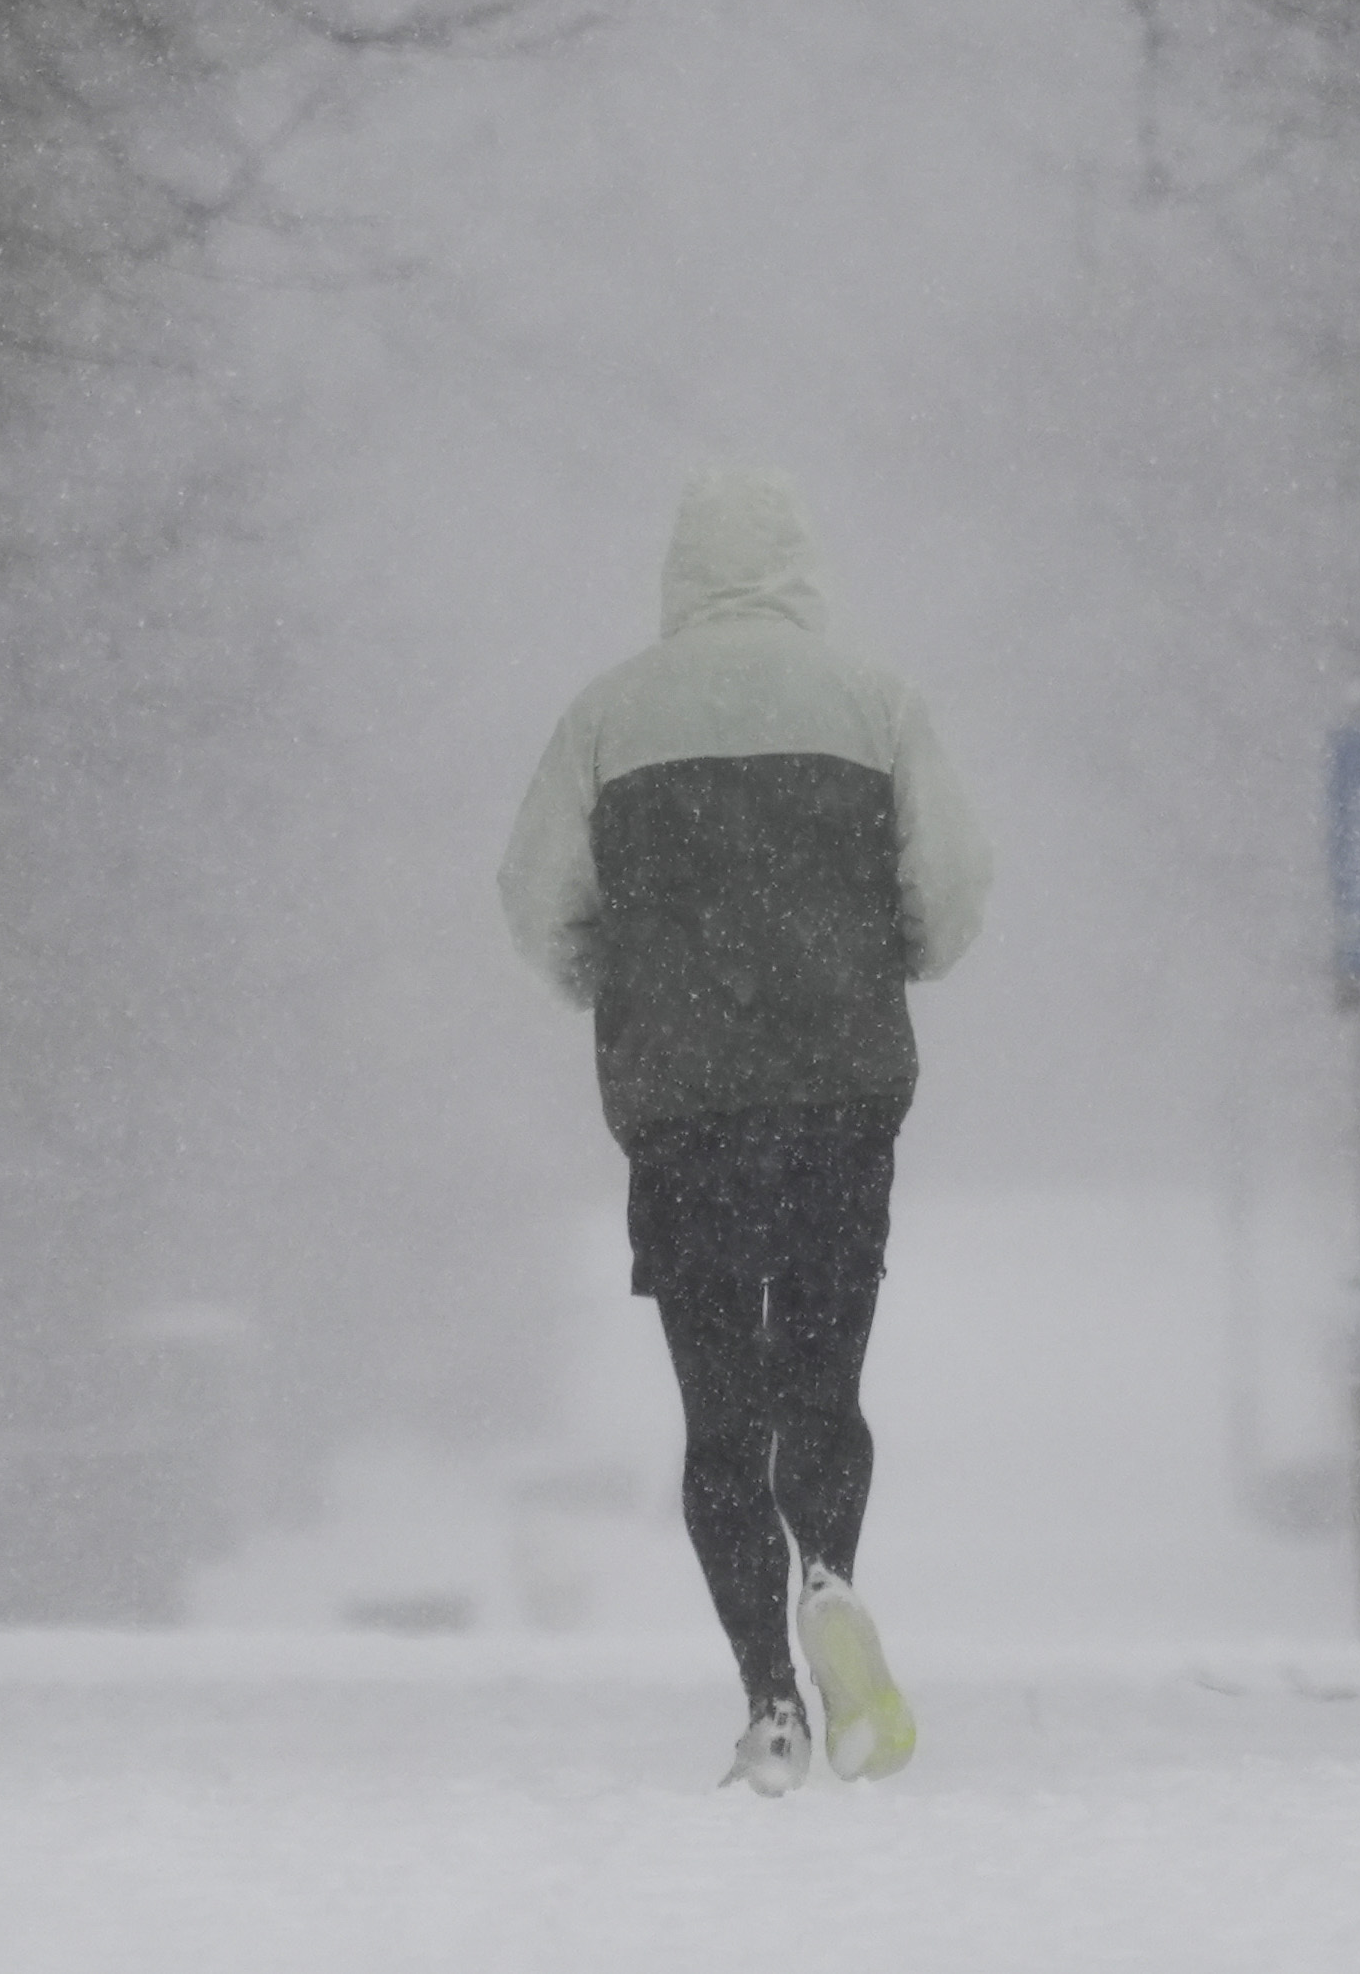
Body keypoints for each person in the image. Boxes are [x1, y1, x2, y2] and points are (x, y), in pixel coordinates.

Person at [500, 464, 991, 1793]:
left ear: (681, 571)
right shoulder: (876, 706)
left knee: (719, 1408)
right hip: (840, 1094)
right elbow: (950, 891)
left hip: (685, 1109)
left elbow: (536, 898)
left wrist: (616, 978)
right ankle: (829, 1570)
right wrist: (883, 952)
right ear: (801, 567)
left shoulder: (608, 716)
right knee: (822, 1380)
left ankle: (769, 1699)